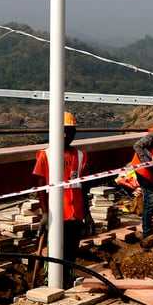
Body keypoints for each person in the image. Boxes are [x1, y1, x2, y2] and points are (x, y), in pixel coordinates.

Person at [32, 111, 92, 288]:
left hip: (76, 212)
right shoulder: (45, 155)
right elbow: (41, 187)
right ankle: (51, 281)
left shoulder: (81, 156)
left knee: (71, 251)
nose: (66, 135)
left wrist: (87, 213)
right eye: (63, 131)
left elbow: (83, 187)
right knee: (56, 251)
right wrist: (44, 213)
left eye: (70, 131)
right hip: (57, 212)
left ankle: (66, 280)